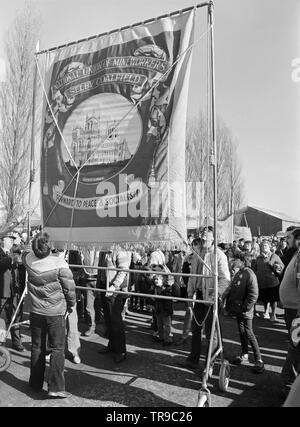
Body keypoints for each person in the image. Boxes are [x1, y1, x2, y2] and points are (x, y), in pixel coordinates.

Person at [22, 232, 76, 398]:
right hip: (55, 312)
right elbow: (69, 289)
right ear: (49, 247)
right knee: (57, 349)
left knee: (37, 347)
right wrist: (72, 304)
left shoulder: (28, 260)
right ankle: (56, 387)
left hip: (36, 311)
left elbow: (24, 253)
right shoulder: (60, 263)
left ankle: (35, 384)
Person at [184, 228, 231, 373]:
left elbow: (225, 280)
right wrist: (189, 293)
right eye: (202, 235)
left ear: (213, 238)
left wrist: (216, 294)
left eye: (206, 235)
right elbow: (193, 276)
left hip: (211, 297)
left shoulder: (219, 256)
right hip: (198, 295)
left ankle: (209, 365)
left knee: (211, 333)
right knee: (196, 329)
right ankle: (193, 359)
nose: (203, 237)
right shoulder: (197, 254)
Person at [222, 257, 264, 373]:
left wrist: (244, 308)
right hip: (239, 310)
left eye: (234, 264)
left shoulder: (250, 274)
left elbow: (253, 295)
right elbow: (231, 288)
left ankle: (259, 360)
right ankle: (245, 355)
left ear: (241, 262)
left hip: (245, 311)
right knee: (242, 332)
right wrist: (224, 299)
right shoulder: (239, 273)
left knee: (249, 333)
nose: (232, 268)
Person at [96, 249, 131, 363]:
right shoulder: (104, 249)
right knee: (108, 319)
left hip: (113, 290)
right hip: (104, 287)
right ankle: (112, 345)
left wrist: (114, 286)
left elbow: (123, 270)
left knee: (115, 321)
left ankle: (121, 351)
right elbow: (100, 270)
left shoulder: (120, 249)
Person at [279, 227, 300, 397]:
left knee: (296, 349)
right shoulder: (295, 254)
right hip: (292, 310)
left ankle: (289, 388)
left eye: (289, 237)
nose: (286, 240)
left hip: (296, 312)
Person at [0, 235, 25, 352]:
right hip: (2, 292)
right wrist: (12, 258)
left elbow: (21, 264)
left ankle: (16, 341)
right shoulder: (6, 254)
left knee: (16, 316)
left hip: (14, 290)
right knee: (2, 319)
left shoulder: (15, 251)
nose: (11, 241)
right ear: (2, 240)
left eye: (12, 239)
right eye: (8, 238)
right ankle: (1, 344)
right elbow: (2, 264)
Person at [252, 240, 284, 321]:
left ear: (269, 247)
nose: (264, 247)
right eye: (262, 246)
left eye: (265, 246)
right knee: (265, 299)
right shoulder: (258, 258)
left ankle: (273, 314)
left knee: (273, 300)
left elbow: (282, 265)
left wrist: (277, 267)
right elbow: (255, 269)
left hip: (272, 282)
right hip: (262, 282)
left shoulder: (274, 256)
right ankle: (266, 312)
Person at [149, 265, 180, 345]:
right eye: (155, 278)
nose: (156, 280)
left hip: (166, 308)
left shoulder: (168, 285)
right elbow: (152, 293)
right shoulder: (155, 285)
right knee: (159, 323)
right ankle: (161, 337)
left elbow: (173, 294)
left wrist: (164, 289)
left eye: (157, 278)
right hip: (158, 307)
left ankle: (168, 339)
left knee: (167, 325)